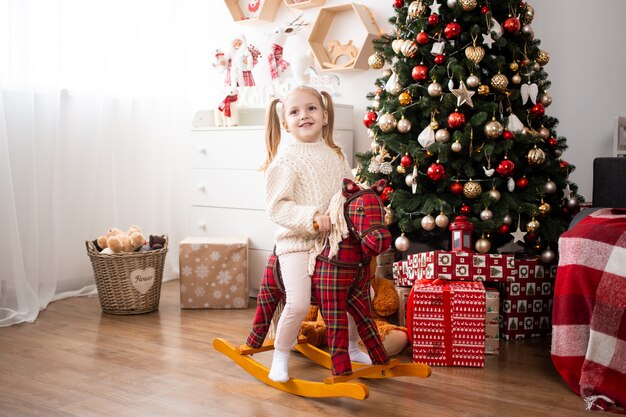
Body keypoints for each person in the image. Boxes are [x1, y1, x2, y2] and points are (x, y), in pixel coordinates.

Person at [260, 86, 372, 383]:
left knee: (350, 296)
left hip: (333, 241)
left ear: (324, 116)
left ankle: (351, 346)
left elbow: (349, 190)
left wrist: (365, 199)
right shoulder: (285, 161)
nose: (303, 115)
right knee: (298, 302)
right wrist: (311, 217)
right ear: (285, 123)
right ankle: (282, 353)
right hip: (297, 243)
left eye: (311, 108)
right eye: (294, 112)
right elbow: (278, 207)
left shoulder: (335, 154)